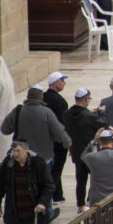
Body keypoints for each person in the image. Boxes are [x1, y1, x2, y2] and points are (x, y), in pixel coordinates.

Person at [0, 88, 71, 175]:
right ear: (41, 98)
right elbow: (59, 133)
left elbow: (5, 130)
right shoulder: (47, 113)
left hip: (22, 157)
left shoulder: (18, 111)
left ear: (27, 97)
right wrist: (68, 143)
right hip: (44, 158)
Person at [62, 89, 105, 214]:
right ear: (86, 100)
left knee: (80, 180)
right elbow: (103, 124)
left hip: (76, 151)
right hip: (90, 151)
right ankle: (90, 200)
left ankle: (80, 206)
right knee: (95, 178)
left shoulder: (67, 114)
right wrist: (101, 113)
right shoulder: (89, 116)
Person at [0, 139, 56, 224]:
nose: (15, 154)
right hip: (13, 214)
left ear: (26, 150)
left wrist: (42, 202)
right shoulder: (8, 163)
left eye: (18, 151)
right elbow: (0, 184)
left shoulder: (38, 163)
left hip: (32, 214)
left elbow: (49, 185)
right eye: (14, 151)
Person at [41, 74, 68, 207]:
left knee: (52, 168)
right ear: (53, 83)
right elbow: (62, 123)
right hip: (58, 142)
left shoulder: (43, 97)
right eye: (61, 81)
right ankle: (49, 197)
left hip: (46, 140)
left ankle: (58, 195)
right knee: (56, 170)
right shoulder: (59, 101)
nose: (64, 83)